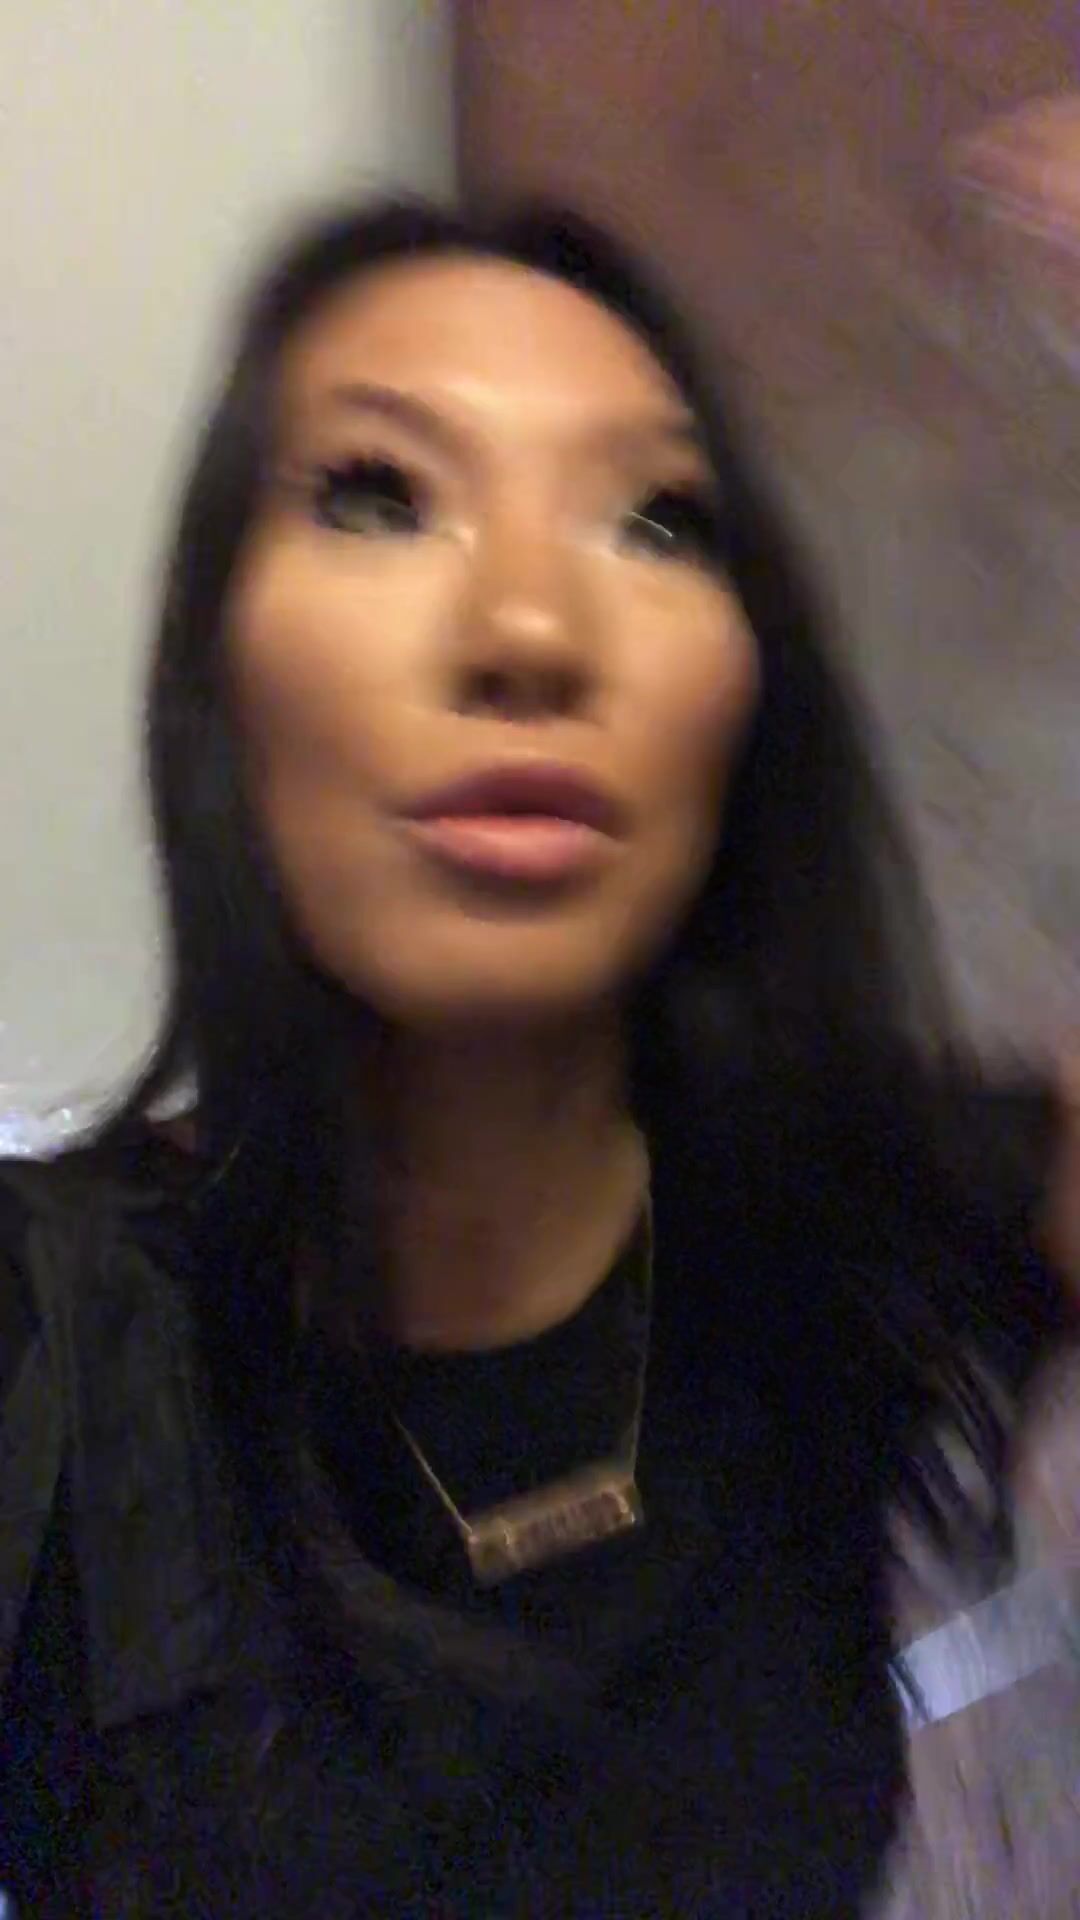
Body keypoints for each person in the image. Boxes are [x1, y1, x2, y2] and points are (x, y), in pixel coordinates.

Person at [0, 200, 1074, 1918]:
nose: (530, 629)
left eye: (655, 520)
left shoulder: (885, 1229)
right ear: (221, 675)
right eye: (379, 494)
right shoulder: (55, 1346)